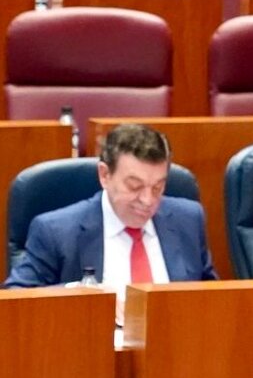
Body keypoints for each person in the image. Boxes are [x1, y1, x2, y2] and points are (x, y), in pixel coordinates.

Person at [5, 123, 218, 288]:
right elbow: (17, 299)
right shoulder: (55, 231)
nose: (147, 200)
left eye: (158, 187)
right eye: (135, 186)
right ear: (105, 175)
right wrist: (74, 292)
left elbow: (211, 297)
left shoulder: (188, 219)